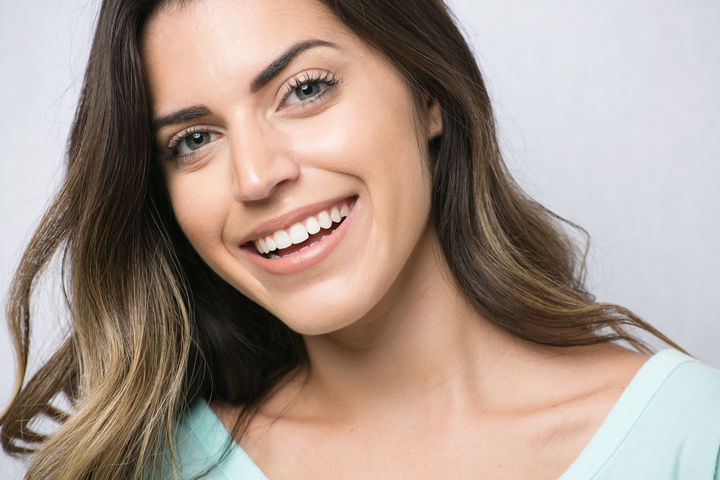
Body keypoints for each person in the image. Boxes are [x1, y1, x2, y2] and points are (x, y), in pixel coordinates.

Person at [1, 0, 719, 478]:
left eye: (305, 90)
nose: (255, 176)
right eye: (193, 140)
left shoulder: (690, 439)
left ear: (428, 92)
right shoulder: (147, 469)